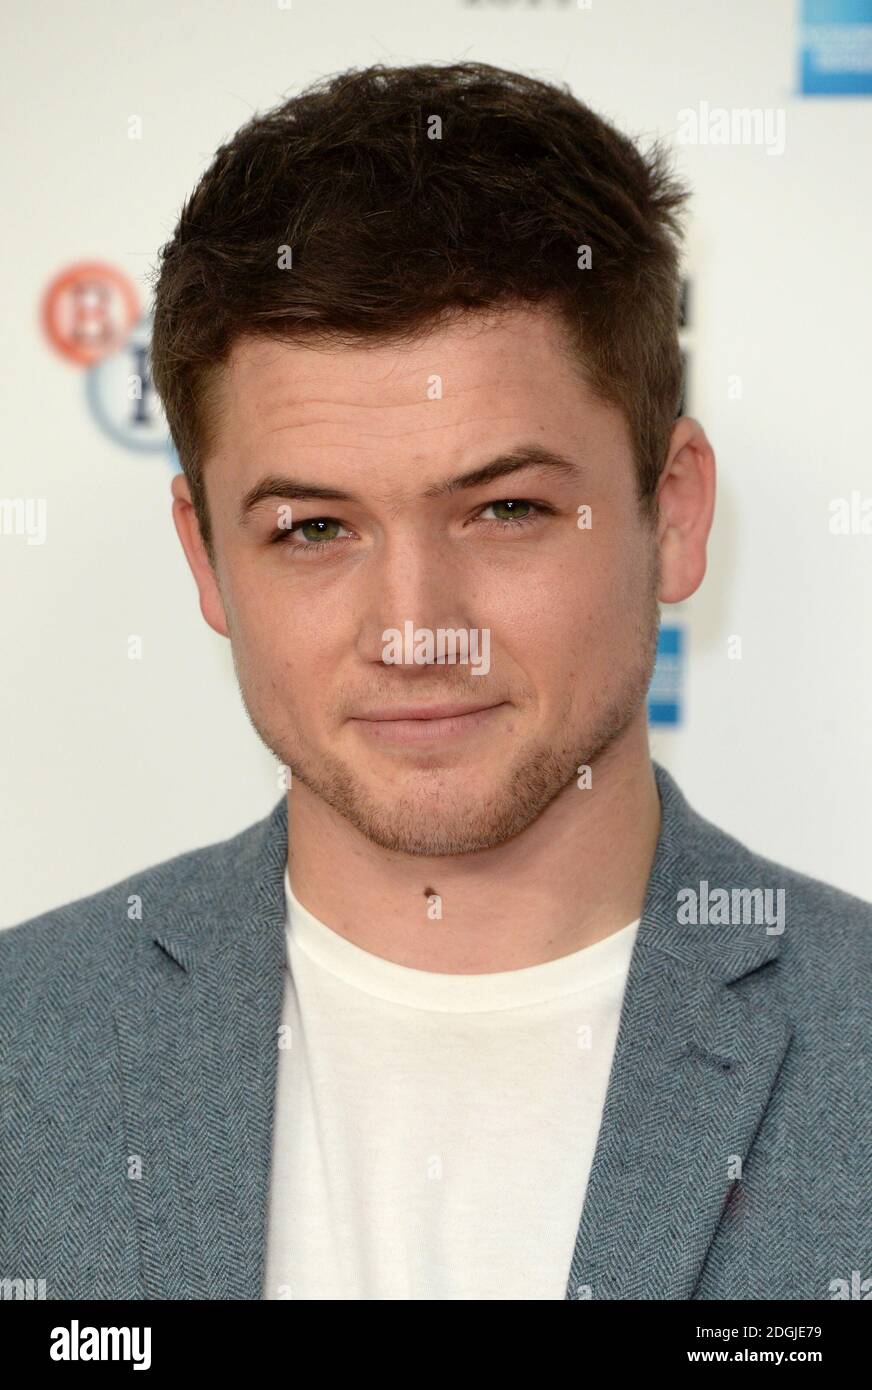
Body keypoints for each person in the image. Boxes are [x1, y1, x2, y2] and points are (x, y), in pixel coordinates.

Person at [1, 62, 869, 1303]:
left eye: (504, 509)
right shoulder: (22, 1051)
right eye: (313, 528)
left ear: (670, 514)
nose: (415, 630)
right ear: (204, 555)